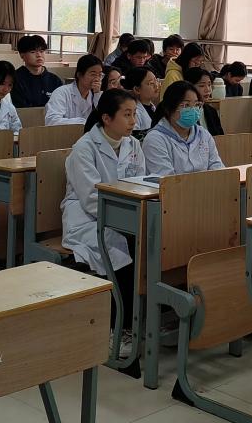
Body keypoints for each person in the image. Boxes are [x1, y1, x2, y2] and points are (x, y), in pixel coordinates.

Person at [61, 87, 145, 355]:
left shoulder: (133, 145)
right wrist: (127, 218)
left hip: (125, 213)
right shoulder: (84, 149)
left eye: (134, 114)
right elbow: (91, 199)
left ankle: (141, 318)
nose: (133, 121)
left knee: (151, 242)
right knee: (119, 247)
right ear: (107, 118)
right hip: (88, 218)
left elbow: (140, 183)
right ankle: (118, 327)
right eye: (127, 115)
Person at [142, 81, 225, 175]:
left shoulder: (203, 134)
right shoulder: (155, 139)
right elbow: (167, 179)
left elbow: (217, 168)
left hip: (207, 184)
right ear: (169, 109)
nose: (193, 110)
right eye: (186, 105)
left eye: (196, 104)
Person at [46, 55, 103, 125]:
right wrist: (83, 122)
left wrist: (97, 94)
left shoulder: (95, 94)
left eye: (100, 75)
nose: (97, 79)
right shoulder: (61, 93)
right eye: (93, 74)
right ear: (79, 75)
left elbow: (103, 119)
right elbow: (52, 121)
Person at [11, 34, 64, 108]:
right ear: (22, 55)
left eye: (42, 51)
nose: (39, 55)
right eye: (33, 52)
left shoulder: (55, 80)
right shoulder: (15, 79)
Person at [184, 67, 224, 136]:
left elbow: (220, 137)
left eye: (209, 85)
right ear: (189, 87)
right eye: (202, 86)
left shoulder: (212, 111)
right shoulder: (183, 112)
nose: (208, 89)